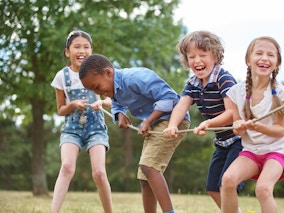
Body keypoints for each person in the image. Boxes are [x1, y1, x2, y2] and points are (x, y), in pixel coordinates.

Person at [78, 53, 190, 213]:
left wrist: (148, 120)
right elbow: (117, 103)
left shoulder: (136, 77)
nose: (101, 94)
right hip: (155, 124)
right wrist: (119, 115)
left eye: (97, 87)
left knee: (149, 167)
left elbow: (170, 98)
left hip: (172, 120)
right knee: (144, 177)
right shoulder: (114, 89)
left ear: (108, 73)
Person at [163, 31, 244, 211]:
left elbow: (232, 113)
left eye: (203, 55)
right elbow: (181, 106)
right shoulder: (193, 84)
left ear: (215, 55)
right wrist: (172, 125)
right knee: (213, 188)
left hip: (240, 140)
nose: (197, 60)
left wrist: (207, 123)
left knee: (226, 184)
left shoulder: (224, 79)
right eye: (192, 56)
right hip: (222, 142)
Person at [221, 36, 284, 213]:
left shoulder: (281, 94)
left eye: (271, 55)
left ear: (277, 63)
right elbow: (238, 129)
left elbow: (280, 131)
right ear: (248, 60)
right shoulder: (236, 92)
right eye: (259, 53)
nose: (264, 58)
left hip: (276, 151)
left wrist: (257, 127)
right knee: (228, 180)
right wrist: (239, 128)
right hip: (252, 151)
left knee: (263, 189)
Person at [50, 30, 113, 213]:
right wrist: (73, 105)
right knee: (67, 167)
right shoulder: (62, 77)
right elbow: (61, 110)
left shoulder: (100, 73)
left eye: (86, 47)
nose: (81, 50)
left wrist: (101, 102)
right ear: (67, 52)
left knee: (99, 173)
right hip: (72, 128)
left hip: (96, 128)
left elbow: (111, 100)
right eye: (76, 46)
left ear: (91, 51)